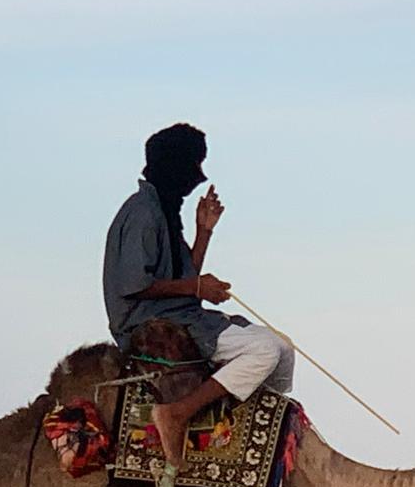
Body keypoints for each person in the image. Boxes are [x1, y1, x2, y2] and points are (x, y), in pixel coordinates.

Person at [102, 122, 293, 466]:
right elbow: (134, 284)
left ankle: (249, 423)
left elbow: (183, 275)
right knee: (265, 350)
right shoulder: (143, 213)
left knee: (283, 347)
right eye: (194, 166)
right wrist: (197, 287)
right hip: (149, 324)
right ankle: (177, 413)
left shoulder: (163, 210)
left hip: (180, 314)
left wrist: (203, 231)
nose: (197, 178)